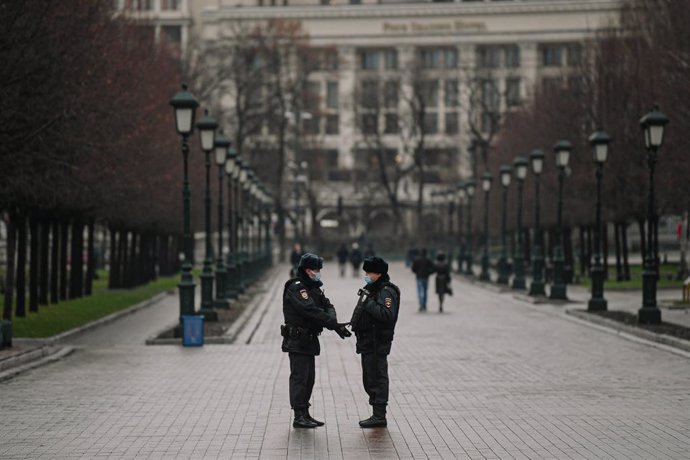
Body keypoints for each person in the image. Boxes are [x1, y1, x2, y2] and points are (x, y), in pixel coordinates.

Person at [281, 253, 351, 428]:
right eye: (316, 270)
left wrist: (333, 323)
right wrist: (334, 325)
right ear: (307, 270)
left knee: (309, 379)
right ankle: (298, 416)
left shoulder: (315, 288)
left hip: (309, 340)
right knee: (299, 378)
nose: (318, 273)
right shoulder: (297, 288)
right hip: (297, 340)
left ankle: (305, 412)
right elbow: (311, 310)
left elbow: (328, 306)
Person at [350, 256, 400, 428]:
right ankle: (376, 413)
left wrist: (368, 303)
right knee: (369, 377)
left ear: (378, 273)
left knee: (377, 377)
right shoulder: (372, 289)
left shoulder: (386, 291)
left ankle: (379, 415)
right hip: (368, 341)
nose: (366, 275)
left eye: (369, 272)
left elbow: (387, 315)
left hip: (377, 342)